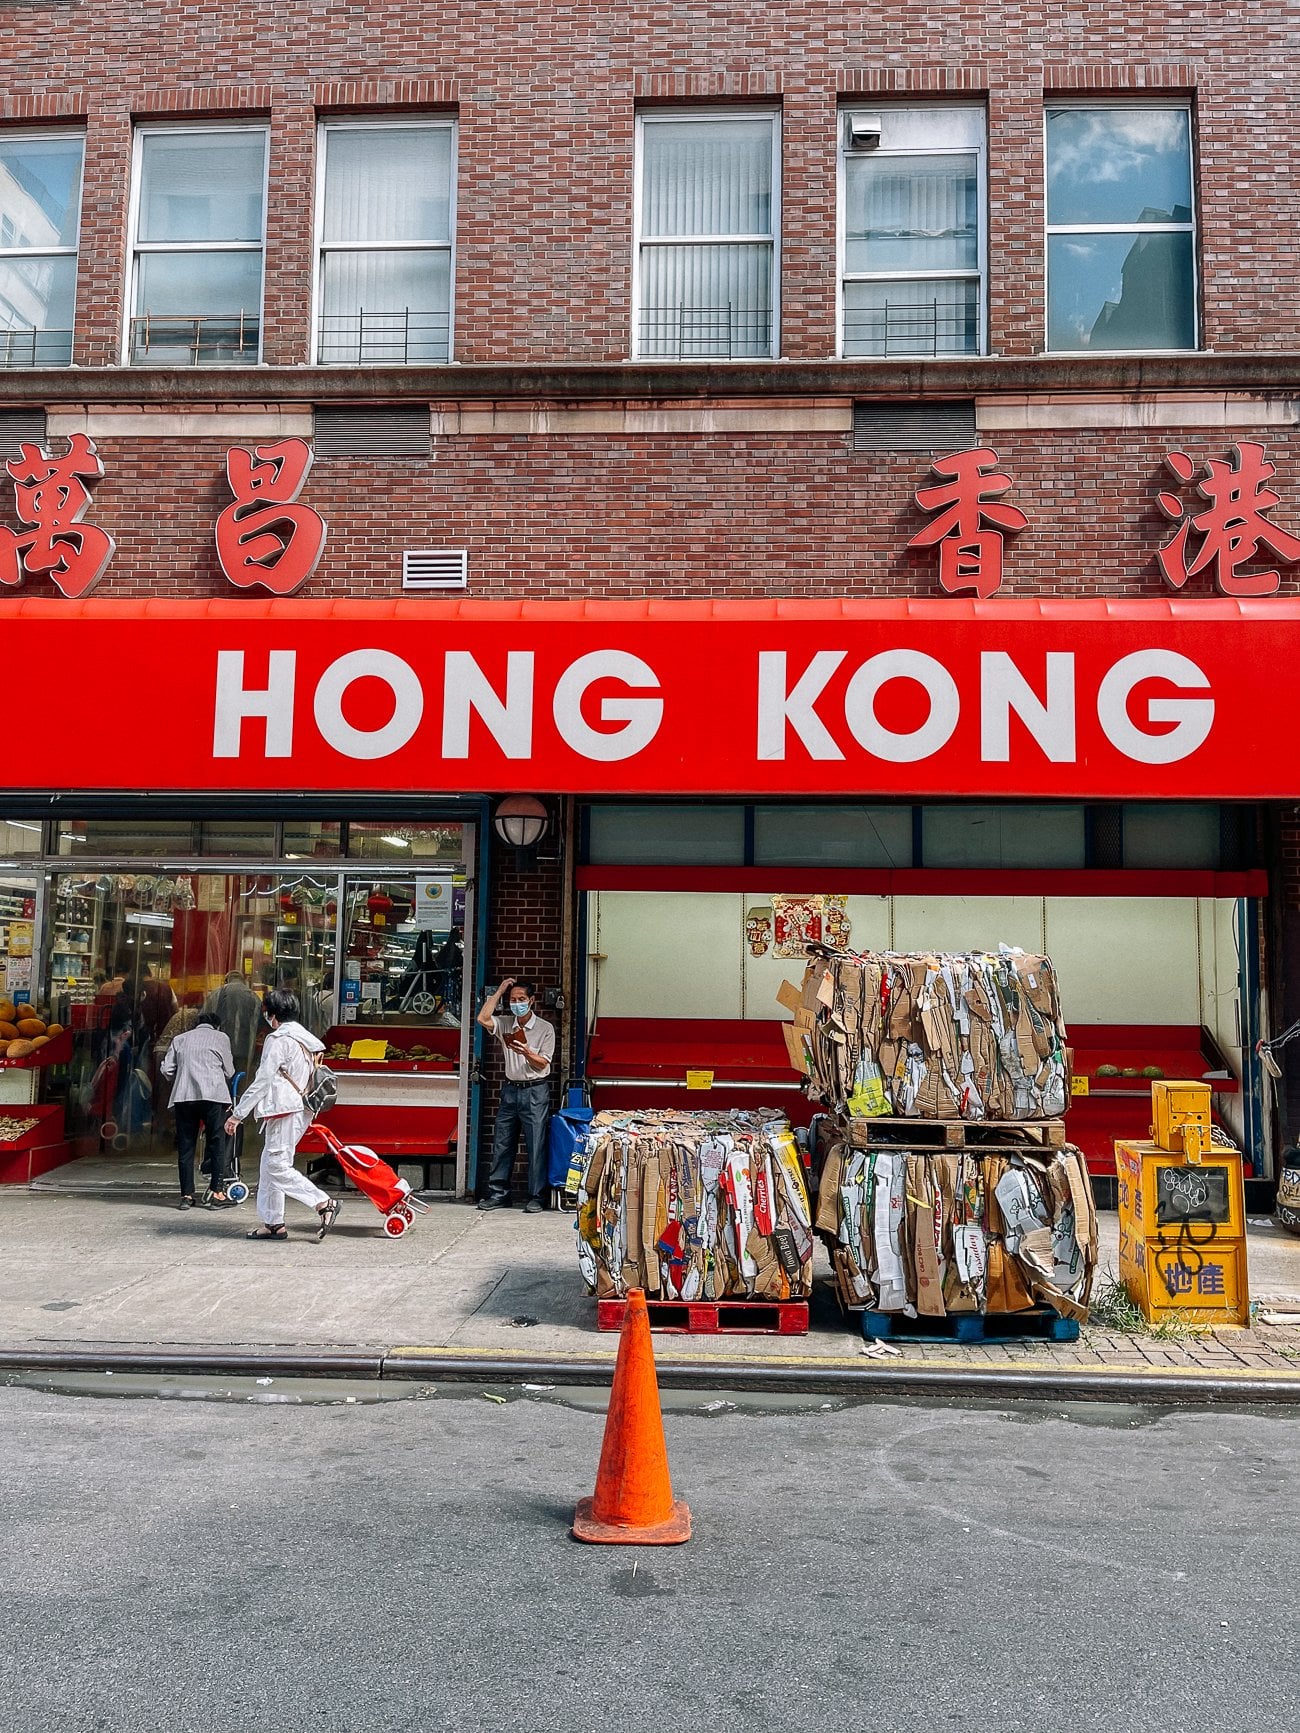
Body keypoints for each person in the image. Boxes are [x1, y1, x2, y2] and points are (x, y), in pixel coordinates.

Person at [225, 987, 340, 1242]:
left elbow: (263, 1080)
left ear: (271, 1013)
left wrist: (238, 1114)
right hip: (299, 1107)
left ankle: (323, 1203)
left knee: (277, 1166)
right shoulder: (305, 1039)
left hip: (284, 1108)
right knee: (269, 1166)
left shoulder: (278, 1040)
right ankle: (274, 1223)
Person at [476, 975, 554, 1213]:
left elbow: (543, 1064)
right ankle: (499, 1193)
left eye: (521, 999)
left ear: (531, 1001)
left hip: (535, 1090)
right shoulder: (506, 1024)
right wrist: (499, 992)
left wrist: (527, 1052)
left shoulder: (544, 1029)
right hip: (510, 1089)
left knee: (536, 1144)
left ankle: (536, 1196)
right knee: (502, 1142)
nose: (516, 1003)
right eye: (513, 999)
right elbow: (482, 1018)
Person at [161, 1011, 235, 1210]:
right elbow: (230, 1071)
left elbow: (167, 1069)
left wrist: (182, 1075)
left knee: (186, 1146)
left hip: (184, 1096)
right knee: (216, 1141)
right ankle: (217, 1193)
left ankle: (186, 1195)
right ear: (216, 1026)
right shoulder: (221, 1038)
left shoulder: (180, 1039)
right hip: (213, 1096)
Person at [207, 970, 261, 1077]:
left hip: (220, 1048)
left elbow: (206, 1018)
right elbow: (259, 1024)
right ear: (244, 981)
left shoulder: (217, 993)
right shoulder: (254, 996)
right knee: (240, 1078)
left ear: (226, 980)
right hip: (245, 1049)